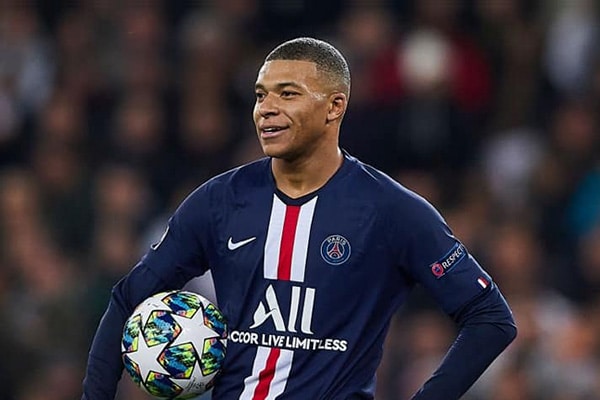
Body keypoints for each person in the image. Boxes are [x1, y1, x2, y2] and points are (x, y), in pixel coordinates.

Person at [82, 37, 517, 400]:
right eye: (260, 95)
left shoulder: (392, 210)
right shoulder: (219, 200)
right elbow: (127, 299)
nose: (266, 109)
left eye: (287, 94)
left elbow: (490, 318)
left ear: (334, 107)